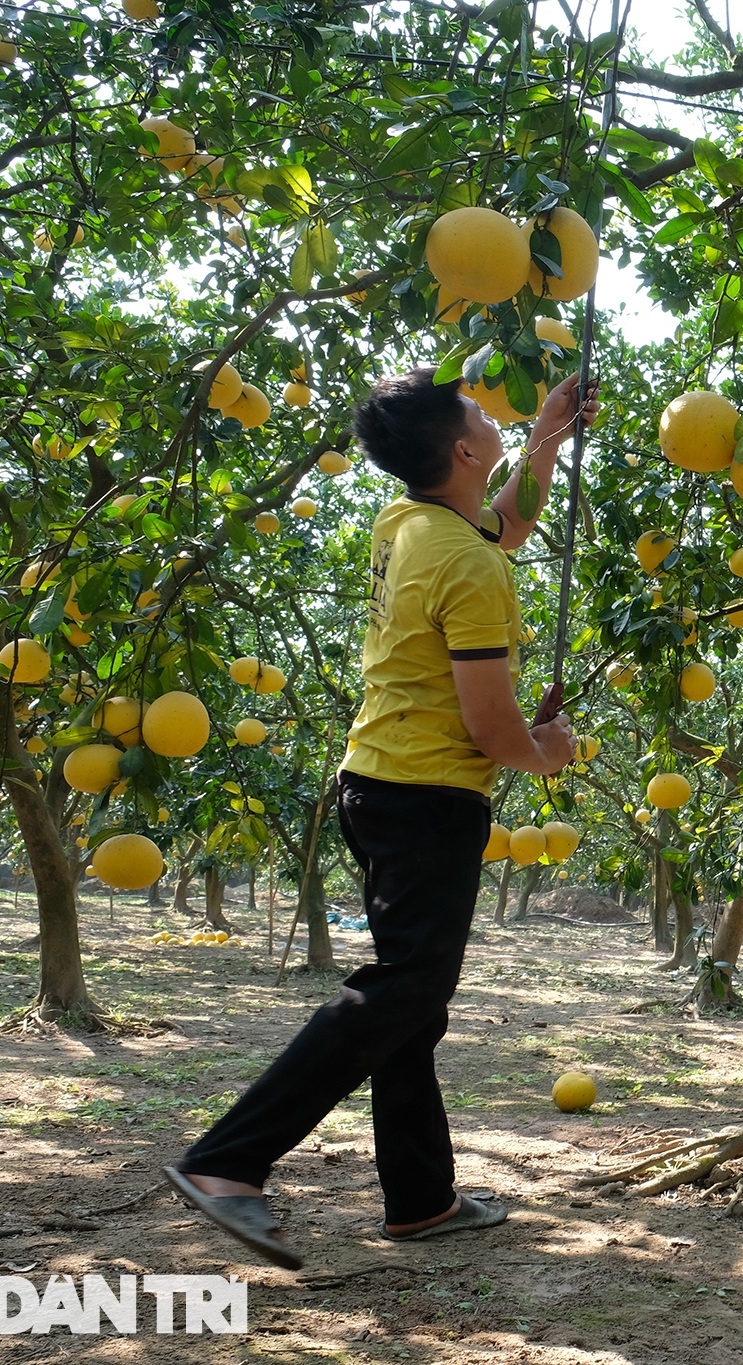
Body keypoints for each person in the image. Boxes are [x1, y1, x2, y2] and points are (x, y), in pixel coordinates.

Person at [163, 367, 598, 1269]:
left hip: (381, 781)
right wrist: (546, 745)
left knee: (415, 999)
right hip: (427, 797)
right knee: (401, 987)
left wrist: (549, 436)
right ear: (466, 450)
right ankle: (226, 1161)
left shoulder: (413, 524)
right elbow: (490, 726)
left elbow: (509, 522)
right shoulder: (465, 562)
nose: (494, 412)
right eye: (484, 414)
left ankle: (421, 1197)